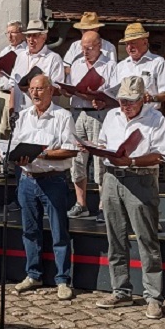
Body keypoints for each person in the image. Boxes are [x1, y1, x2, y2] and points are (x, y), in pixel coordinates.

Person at [94, 76, 165, 319]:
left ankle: (154, 296)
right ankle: (121, 290)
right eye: (122, 100)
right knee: (115, 237)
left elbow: (161, 155)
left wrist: (133, 160)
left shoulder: (155, 118)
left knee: (147, 239)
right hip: (112, 178)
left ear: (142, 99)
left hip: (141, 177)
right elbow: (103, 143)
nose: (125, 105)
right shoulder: (111, 116)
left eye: (131, 101)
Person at [12, 75, 77, 301]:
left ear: (50, 91)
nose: (35, 94)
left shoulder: (62, 116)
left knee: (59, 231)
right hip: (27, 179)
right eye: (32, 89)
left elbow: (71, 150)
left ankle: (62, 279)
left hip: (53, 179)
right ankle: (33, 274)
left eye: (40, 89)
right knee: (30, 231)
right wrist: (18, 157)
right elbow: (17, 145)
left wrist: (42, 153)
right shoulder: (23, 116)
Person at [65, 31, 117, 222]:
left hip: (99, 114)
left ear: (99, 46)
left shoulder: (110, 65)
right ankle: (81, 203)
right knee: (77, 159)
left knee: (100, 162)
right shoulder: (77, 64)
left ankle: (103, 206)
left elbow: (114, 93)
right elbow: (70, 86)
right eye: (83, 47)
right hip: (78, 112)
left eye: (89, 48)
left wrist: (102, 100)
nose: (85, 51)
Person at [9, 19, 64, 115]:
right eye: (28, 36)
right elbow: (13, 87)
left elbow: (58, 90)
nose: (31, 39)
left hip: (42, 114)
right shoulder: (21, 56)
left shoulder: (53, 58)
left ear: (44, 37)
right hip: (20, 113)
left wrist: (35, 88)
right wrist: (11, 110)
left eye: (35, 36)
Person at [115, 23, 165, 110]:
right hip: (126, 117)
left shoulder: (158, 62)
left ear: (145, 42)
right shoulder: (120, 66)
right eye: (127, 44)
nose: (130, 47)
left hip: (149, 116)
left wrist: (151, 98)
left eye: (133, 43)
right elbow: (113, 93)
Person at [0, 21, 27, 139]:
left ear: (22, 34)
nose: (9, 36)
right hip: (4, 93)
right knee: (3, 131)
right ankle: (5, 157)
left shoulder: (26, 51)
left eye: (13, 32)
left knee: (15, 128)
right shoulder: (4, 51)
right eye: (7, 33)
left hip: (18, 94)